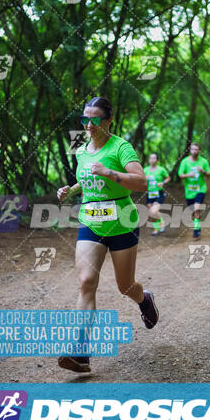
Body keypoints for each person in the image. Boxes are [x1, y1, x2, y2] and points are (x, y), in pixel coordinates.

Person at [56, 97, 159, 373]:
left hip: (122, 221)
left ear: (109, 120)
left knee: (125, 286)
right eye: (84, 119)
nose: (89, 125)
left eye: (95, 119)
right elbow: (88, 179)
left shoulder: (121, 147)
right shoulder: (82, 151)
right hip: (91, 221)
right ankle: (80, 351)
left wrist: (110, 172)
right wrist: (72, 190)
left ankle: (144, 299)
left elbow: (140, 182)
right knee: (87, 282)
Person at [178, 143, 210, 239]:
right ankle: (198, 225)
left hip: (200, 189)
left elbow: (209, 174)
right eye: (192, 149)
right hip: (189, 191)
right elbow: (180, 174)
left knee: (197, 208)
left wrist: (203, 171)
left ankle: (196, 231)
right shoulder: (185, 162)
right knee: (193, 212)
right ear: (190, 150)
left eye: (196, 149)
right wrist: (189, 175)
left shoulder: (203, 161)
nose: (194, 151)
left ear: (199, 151)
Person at [144, 153, 170, 235]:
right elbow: (141, 181)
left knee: (153, 211)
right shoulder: (145, 170)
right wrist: (145, 179)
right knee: (151, 213)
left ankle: (162, 221)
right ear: (149, 160)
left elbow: (168, 178)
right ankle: (156, 229)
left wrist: (162, 183)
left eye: (154, 158)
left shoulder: (161, 169)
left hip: (159, 193)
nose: (152, 160)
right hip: (149, 193)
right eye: (151, 158)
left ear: (157, 160)